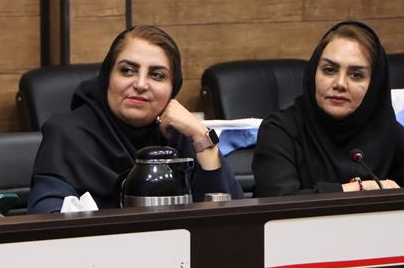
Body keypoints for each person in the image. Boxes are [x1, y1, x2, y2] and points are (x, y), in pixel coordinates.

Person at [28, 25, 244, 213]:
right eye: (127, 70)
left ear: (173, 88)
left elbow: (231, 222)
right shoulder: (67, 134)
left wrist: (202, 137)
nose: (141, 84)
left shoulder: (183, 135)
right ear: (107, 77)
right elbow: (47, 218)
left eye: (157, 75)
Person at [252, 21, 404, 197]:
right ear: (313, 73)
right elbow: (279, 200)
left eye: (356, 75)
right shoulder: (280, 130)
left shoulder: (385, 130)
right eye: (329, 70)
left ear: (373, 85)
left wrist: (397, 193)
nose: (340, 84)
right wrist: (361, 188)